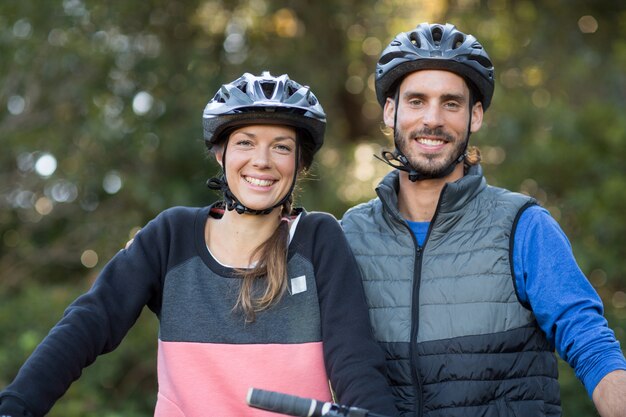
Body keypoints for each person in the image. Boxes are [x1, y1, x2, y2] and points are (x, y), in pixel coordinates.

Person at [0, 72, 399, 417]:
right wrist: (17, 404)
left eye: (281, 146)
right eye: (246, 142)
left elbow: (355, 362)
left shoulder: (318, 240)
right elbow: (88, 323)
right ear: (220, 154)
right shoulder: (171, 237)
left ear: (299, 164)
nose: (262, 160)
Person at [341, 22, 626, 417]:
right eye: (417, 101)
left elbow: (589, 342)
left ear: (475, 116)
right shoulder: (350, 235)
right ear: (391, 111)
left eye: (451, 103)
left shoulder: (522, 225)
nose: (433, 119)